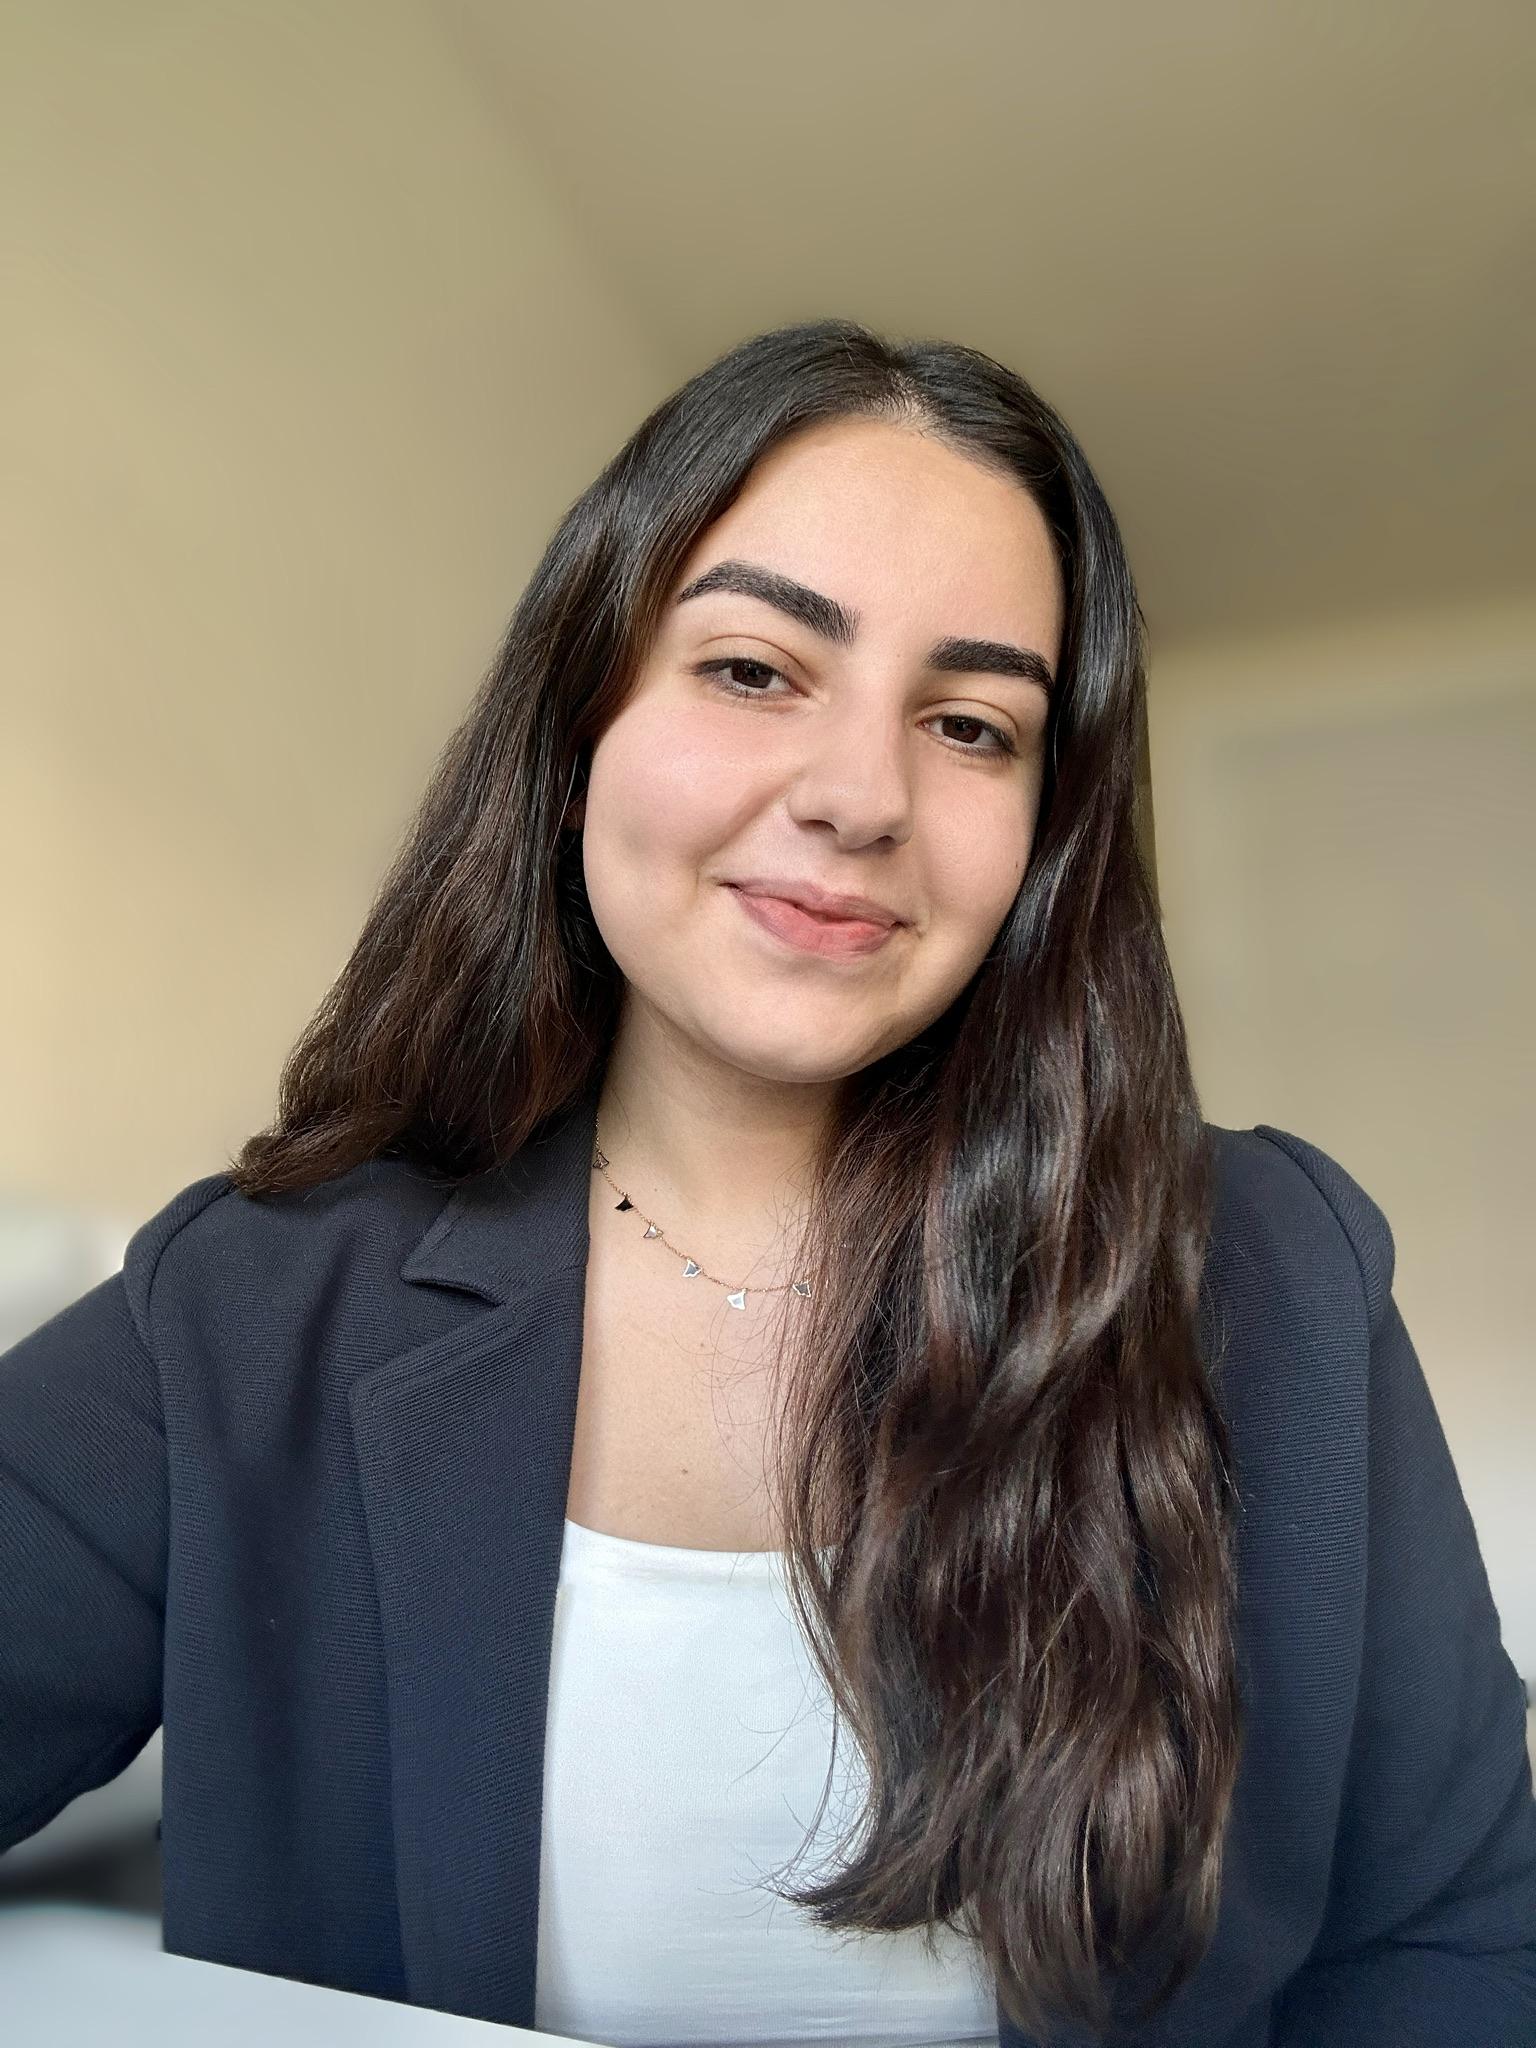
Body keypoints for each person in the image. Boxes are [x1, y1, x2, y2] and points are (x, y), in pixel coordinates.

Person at [2, 318, 1532, 2048]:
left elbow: (1455, 1945)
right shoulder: (252, 1302)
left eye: (970, 725)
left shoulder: (1272, 1277)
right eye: (754, 671)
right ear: (581, 714)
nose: (860, 797)